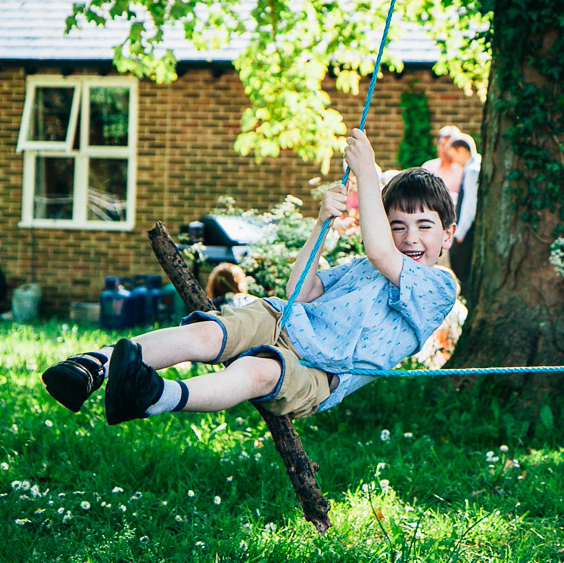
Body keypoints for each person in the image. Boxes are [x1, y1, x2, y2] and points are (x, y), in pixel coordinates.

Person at [40, 128, 458, 423]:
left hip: (322, 373)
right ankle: (96, 364)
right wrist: (319, 225)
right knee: (209, 335)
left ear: (448, 234)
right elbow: (302, 290)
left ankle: (153, 396)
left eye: (423, 227)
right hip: (285, 318)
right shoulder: (366, 268)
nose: (410, 238)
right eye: (397, 226)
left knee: (257, 372)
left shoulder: (437, 286)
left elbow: (379, 249)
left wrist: (368, 173)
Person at [446, 134, 481, 290]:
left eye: (454, 156)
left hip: (466, 232)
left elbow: (470, 204)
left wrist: (460, 233)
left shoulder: (472, 171)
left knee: (461, 269)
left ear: (461, 150)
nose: (454, 161)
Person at [421, 125, 464, 205]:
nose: (444, 149)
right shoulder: (428, 167)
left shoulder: (462, 170)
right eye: (442, 144)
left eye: (448, 145)